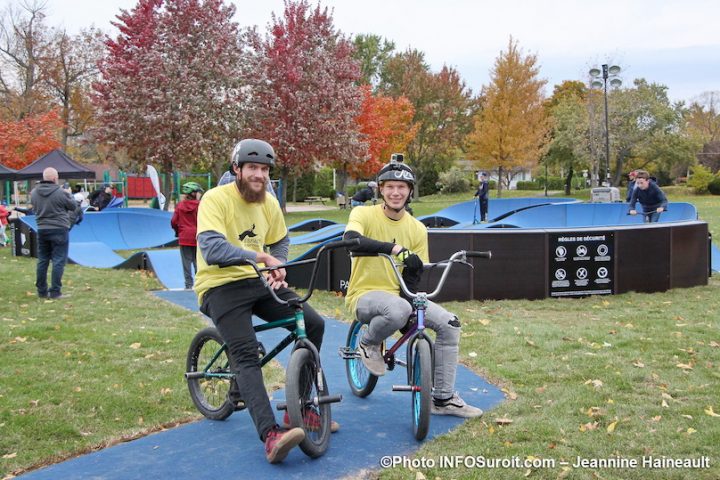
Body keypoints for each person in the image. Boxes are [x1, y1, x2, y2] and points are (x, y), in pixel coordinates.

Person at [193, 139, 336, 464]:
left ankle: (299, 409)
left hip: (258, 281)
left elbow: (281, 239)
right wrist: (260, 256)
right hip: (219, 286)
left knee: (312, 323)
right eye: (253, 168)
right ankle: (271, 436)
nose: (259, 175)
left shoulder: (269, 202)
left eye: (264, 169)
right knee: (245, 353)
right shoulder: (215, 199)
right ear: (237, 169)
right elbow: (213, 250)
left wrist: (278, 266)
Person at [343, 159, 484, 419]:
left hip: (400, 297)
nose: (396, 192)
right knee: (398, 309)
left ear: (409, 191)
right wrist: (394, 248)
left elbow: (413, 276)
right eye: (390, 187)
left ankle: (443, 398)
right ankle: (368, 342)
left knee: (449, 324)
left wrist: (411, 305)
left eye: (402, 187)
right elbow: (351, 241)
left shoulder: (417, 228)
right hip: (365, 294)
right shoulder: (363, 214)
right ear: (381, 190)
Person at [30, 168, 82, 299]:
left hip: (42, 228)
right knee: (58, 260)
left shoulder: (34, 192)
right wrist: (69, 195)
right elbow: (73, 207)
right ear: (54, 179)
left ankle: (41, 291)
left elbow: (34, 208)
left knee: (42, 260)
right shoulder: (61, 192)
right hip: (59, 228)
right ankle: (55, 291)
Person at [171, 182, 204, 289]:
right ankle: (200, 283)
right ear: (194, 193)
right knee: (197, 261)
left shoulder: (180, 205)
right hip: (197, 236)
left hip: (184, 237)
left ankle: (188, 285)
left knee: (186, 262)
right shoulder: (200, 205)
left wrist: (178, 231)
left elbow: (173, 221)